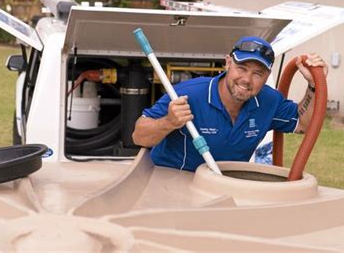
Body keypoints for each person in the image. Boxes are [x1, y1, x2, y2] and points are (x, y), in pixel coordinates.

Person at [132, 36, 328, 171]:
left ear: (267, 76)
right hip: (173, 183)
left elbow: (304, 124)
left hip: (223, 186)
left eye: (257, 73)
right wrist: (169, 122)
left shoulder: (268, 101)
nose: (247, 79)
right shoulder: (187, 94)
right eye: (241, 68)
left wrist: (314, 85)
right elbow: (139, 136)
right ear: (227, 63)